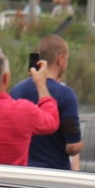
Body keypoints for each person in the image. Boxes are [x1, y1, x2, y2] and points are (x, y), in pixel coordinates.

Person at [10, 34, 84, 170]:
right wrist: (80, 144)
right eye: (67, 60)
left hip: (22, 172)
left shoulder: (16, 91)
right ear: (60, 60)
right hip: (54, 175)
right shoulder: (66, 95)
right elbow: (72, 147)